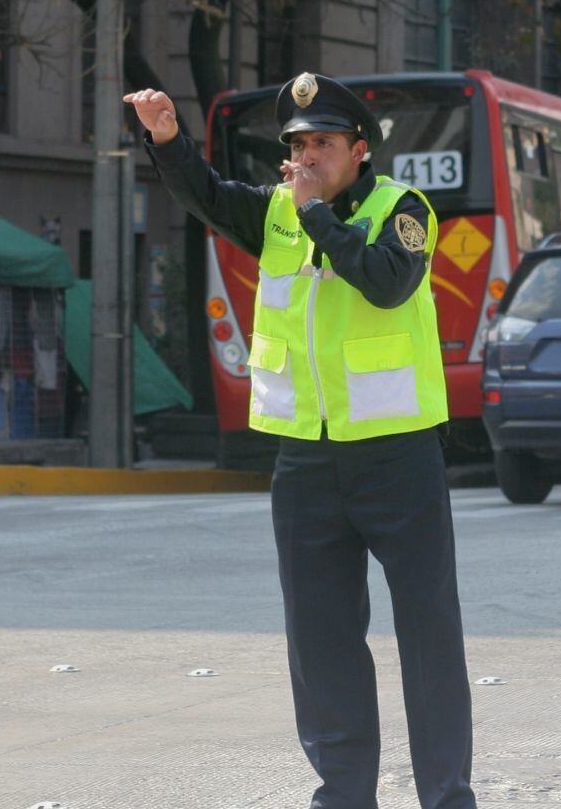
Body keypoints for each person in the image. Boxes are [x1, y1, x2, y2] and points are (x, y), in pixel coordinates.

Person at [127, 73, 477, 809]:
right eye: (298, 144)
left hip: (399, 453)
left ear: (359, 150)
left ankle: (448, 798)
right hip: (307, 461)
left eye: (323, 143)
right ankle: (343, 796)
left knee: (428, 636)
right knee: (320, 643)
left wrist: (316, 212)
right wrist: (167, 139)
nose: (307, 156)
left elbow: (385, 283)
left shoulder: (403, 209)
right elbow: (206, 195)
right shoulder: (276, 214)